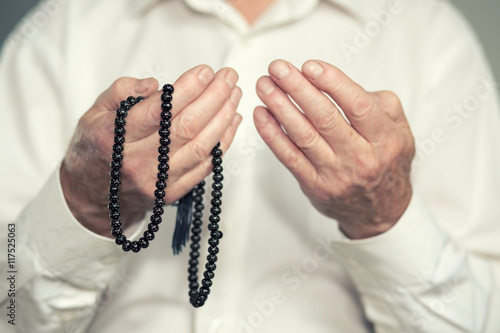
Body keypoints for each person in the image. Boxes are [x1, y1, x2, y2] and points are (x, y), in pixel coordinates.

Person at [1, 0, 499, 332]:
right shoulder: (68, 26)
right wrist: (85, 202)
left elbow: (478, 319)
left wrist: (384, 216)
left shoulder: (429, 36)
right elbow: (9, 309)